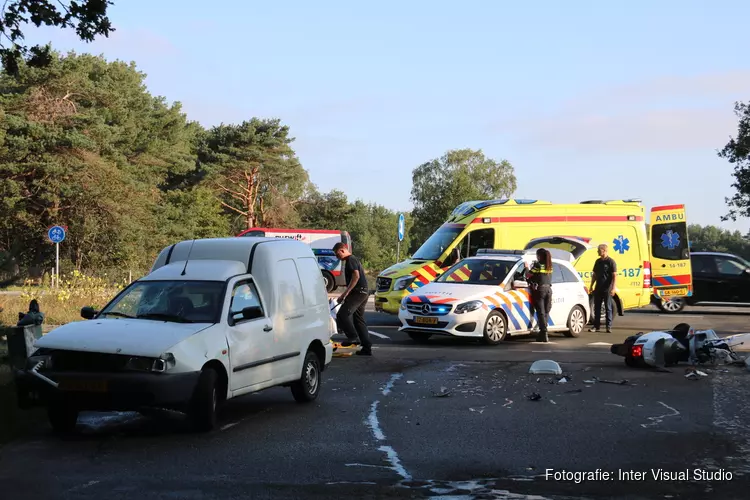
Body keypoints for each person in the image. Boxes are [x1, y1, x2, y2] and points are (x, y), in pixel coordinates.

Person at [332, 242, 372, 356]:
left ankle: (353, 337)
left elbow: (356, 276)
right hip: (363, 292)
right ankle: (367, 348)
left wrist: (344, 294)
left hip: (358, 292)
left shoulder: (350, 260)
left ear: (342, 250)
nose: (337, 257)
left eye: (337, 254)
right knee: (358, 320)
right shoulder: (352, 260)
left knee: (342, 315)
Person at [525, 249, 553, 343]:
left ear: (539, 256)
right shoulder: (549, 265)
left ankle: (544, 332)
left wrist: (526, 267)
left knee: (540, 312)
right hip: (548, 290)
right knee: (546, 312)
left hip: (540, 290)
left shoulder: (538, 264)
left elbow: (528, 275)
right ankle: (543, 333)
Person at [589, 243, 617, 333]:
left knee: (608, 307)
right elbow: (595, 275)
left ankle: (608, 326)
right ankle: (596, 326)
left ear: (604, 251)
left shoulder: (611, 262)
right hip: (598, 288)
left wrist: (613, 288)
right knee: (597, 307)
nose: (597, 251)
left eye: (599, 250)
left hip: (607, 288)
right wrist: (591, 285)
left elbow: (614, 276)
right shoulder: (598, 261)